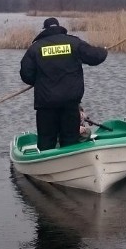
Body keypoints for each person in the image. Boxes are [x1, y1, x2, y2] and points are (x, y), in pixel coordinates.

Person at [20, 17, 107, 150]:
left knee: (46, 141)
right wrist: (104, 50)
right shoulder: (74, 43)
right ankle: (69, 165)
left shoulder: (35, 48)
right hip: (70, 104)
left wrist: (39, 79)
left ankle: (45, 167)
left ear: (45, 30)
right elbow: (95, 57)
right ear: (59, 28)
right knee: (70, 141)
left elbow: (26, 75)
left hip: (46, 105)